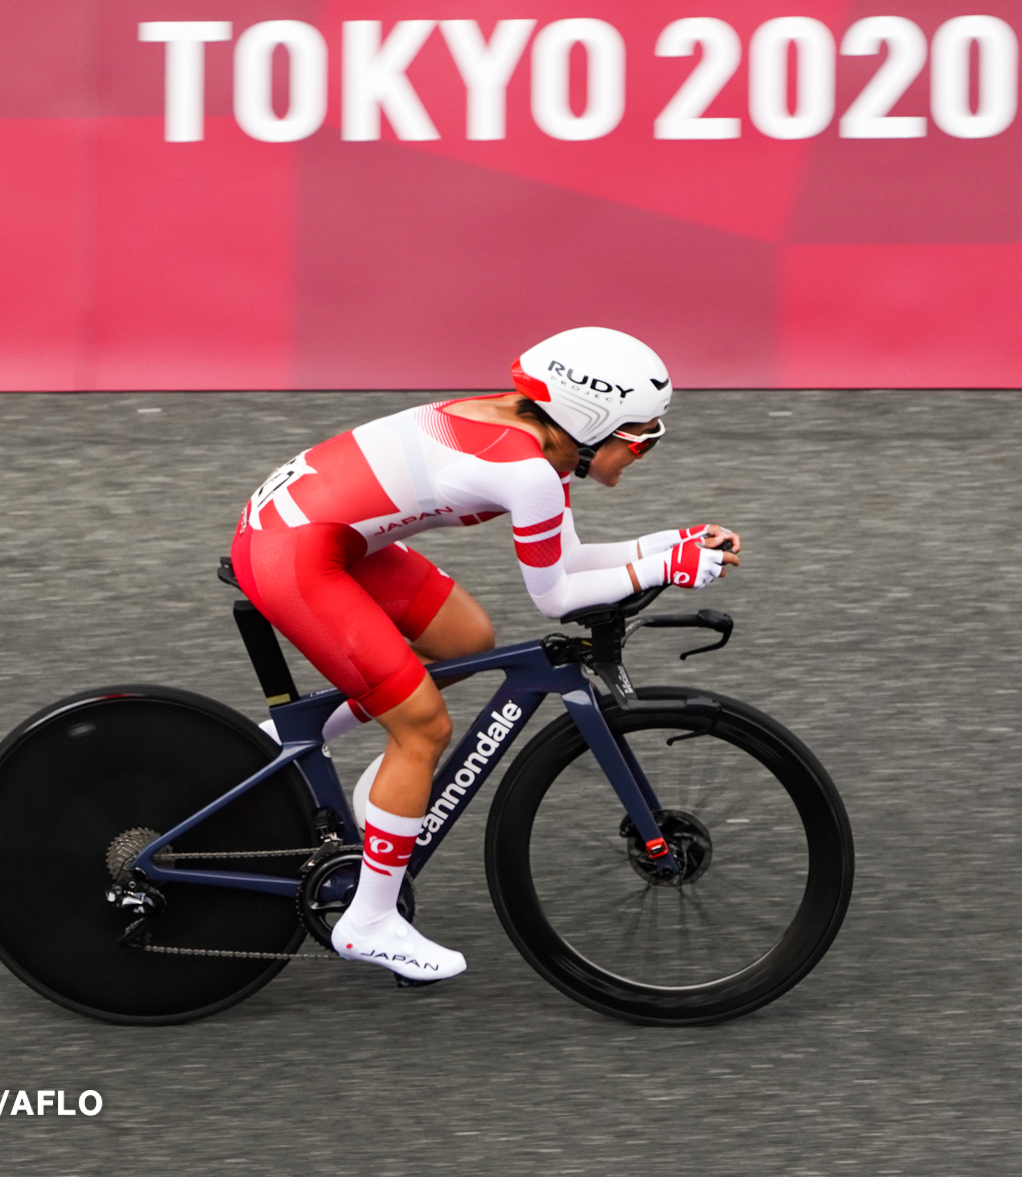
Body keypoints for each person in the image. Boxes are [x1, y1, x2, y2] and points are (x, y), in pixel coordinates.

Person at [229, 327, 742, 981]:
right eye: (641, 435)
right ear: (591, 421)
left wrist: (674, 541)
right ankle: (370, 920)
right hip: (294, 554)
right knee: (422, 725)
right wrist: (667, 562)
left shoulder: (532, 439)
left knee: (464, 640)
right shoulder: (527, 471)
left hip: (315, 533)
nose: (645, 450)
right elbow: (556, 593)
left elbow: (572, 556)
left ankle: (288, 745)